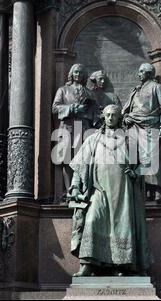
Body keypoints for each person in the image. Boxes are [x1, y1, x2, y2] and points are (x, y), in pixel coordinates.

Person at [69, 104, 151, 277]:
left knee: (121, 227)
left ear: (119, 117)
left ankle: (120, 266)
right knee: (92, 221)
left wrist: (136, 172)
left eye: (114, 115)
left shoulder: (129, 141)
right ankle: (87, 265)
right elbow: (79, 167)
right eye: (107, 115)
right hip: (99, 191)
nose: (110, 118)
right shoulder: (93, 139)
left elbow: (147, 163)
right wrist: (76, 186)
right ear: (103, 117)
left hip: (123, 193)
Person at [122, 63, 161, 203]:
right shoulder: (135, 91)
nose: (139, 74)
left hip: (150, 126)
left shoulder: (157, 88)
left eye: (141, 71)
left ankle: (158, 190)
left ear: (149, 73)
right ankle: (143, 190)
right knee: (136, 158)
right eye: (139, 71)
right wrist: (126, 117)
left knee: (151, 158)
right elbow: (126, 110)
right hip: (134, 127)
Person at [52, 64, 96, 202]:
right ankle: (69, 189)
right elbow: (55, 108)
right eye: (76, 72)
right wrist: (73, 108)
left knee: (84, 160)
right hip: (67, 127)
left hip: (84, 127)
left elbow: (95, 112)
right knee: (67, 160)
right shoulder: (63, 90)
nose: (78, 74)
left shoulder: (90, 93)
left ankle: (82, 189)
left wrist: (91, 114)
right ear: (71, 73)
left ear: (84, 76)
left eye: (81, 73)